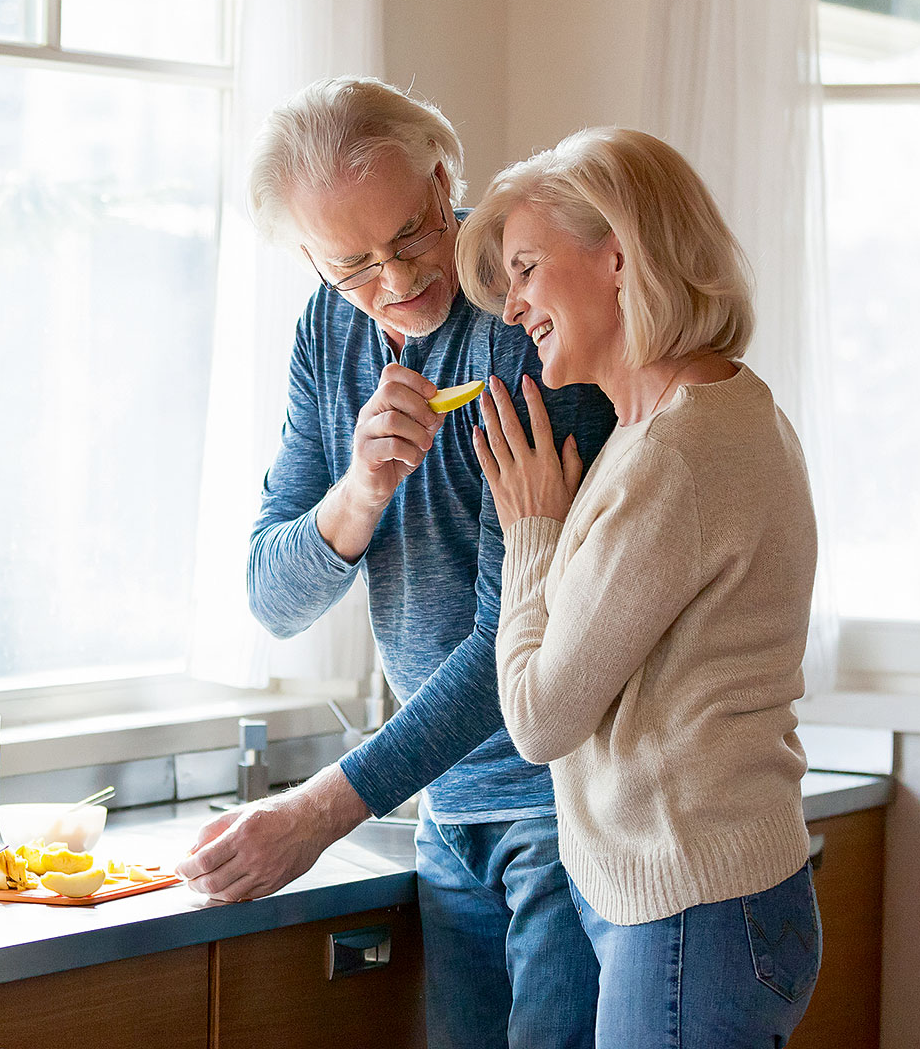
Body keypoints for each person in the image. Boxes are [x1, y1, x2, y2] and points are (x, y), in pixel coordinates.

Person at [172, 76, 616, 1049]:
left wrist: (320, 811)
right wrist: (358, 496)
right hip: (446, 809)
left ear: (444, 176)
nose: (399, 279)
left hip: (565, 807)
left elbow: (515, 648)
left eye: (414, 234)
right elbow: (271, 598)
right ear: (309, 260)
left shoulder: (526, 321)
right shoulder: (326, 332)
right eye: (356, 264)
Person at [458, 126, 822, 1048]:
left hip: (692, 912)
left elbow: (539, 720)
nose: (513, 306)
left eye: (528, 268)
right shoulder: (718, 409)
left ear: (617, 256)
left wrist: (531, 529)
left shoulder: (670, 455)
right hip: (726, 901)